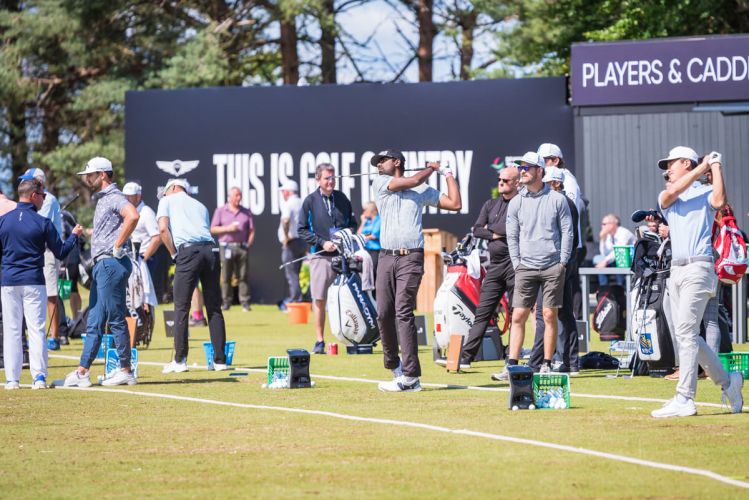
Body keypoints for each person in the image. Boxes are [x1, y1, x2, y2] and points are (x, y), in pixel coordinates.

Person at [651, 146, 743, 417]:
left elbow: (719, 201)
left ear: (685, 163)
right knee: (688, 334)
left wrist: (716, 167)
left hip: (699, 266)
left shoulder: (704, 192)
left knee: (687, 333)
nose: (667, 169)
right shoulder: (668, 195)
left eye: (671, 164)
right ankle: (728, 381)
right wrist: (703, 168)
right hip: (676, 269)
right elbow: (668, 196)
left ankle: (685, 398)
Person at [372, 149, 462, 392]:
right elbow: (412, 180)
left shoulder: (420, 191)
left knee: (403, 311)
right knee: (383, 313)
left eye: (383, 160)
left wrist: (448, 173)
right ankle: (395, 366)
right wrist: (432, 168)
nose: (379, 165)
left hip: (411, 257)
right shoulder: (380, 182)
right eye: (377, 162)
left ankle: (411, 377)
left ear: (397, 161)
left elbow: (455, 203)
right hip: (385, 257)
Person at [493, 152, 572, 381]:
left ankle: (546, 364)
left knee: (548, 315)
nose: (523, 171)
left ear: (540, 171)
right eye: (521, 167)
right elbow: (513, 235)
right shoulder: (517, 201)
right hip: (525, 267)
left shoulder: (557, 199)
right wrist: (517, 263)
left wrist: (563, 261)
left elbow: (567, 231)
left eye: (527, 167)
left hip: (552, 266)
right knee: (518, 315)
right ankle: (511, 366)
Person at [64, 157, 139, 387]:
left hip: (110, 264)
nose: (87, 179)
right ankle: (82, 372)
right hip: (104, 265)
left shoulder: (114, 197)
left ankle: (125, 369)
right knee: (95, 320)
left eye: (90, 174)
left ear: (103, 175)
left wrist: (117, 245)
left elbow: (133, 216)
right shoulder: (105, 199)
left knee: (115, 318)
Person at [1, 178, 81, 390]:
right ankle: (38, 378)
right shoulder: (42, 222)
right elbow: (61, 251)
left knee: (12, 330)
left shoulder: (3, 221)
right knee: (36, 329)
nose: (45, 199)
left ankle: (12, 380)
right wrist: (74, 236)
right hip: (33, 281)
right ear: (33, 195)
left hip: (8, 281)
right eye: (43, 195)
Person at [157, 178, 228, 373]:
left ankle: (179, 361)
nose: (164, 195)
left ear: (172, 188)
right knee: (214, 308)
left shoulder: (167, 200)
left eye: (165, 192)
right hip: (211, 251)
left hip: (188, 252)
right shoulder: (200, 205)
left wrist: (173, 255)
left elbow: (163, 229)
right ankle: (220, 361)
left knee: (181, 307)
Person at [460, 165, 520, 368]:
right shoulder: (490, 204)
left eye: (506, 180)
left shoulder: (521, 204)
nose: (501, 183)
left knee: (516, 313)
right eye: (499, 180)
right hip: (495, 266)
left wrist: (490, 229)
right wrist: (494, 233)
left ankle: (511, 358)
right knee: (482, 311)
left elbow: (512, 228)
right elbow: (476, 230)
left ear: (516, 183)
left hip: (515, 263)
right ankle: (466, 357)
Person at [298, 163, 357, 354]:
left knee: (348, 297)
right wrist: (322, 242)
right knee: (320, 299)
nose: (331, 181)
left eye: (333, 178)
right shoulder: (310, 201)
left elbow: (353, 224)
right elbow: (301, 230)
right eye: (327, 178)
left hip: (343, 256)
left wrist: (344, 237)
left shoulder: (342, 198)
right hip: (321, 257)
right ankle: (320, 340)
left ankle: (352, 338)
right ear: (318, 180)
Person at [528, 167, 580, 374]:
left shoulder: (561, 202)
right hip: (563, 263)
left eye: (547, 182)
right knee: (565, 312)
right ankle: (570, 362)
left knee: (543, 313)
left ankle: (537, 362)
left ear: (557, 183)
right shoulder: (563, 202)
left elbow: (563, 237)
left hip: (556, 264)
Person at [21, 168, 65, 350]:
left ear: (38, 182)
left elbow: (36, 223)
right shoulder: (34, 198)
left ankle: (54, 337)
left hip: (48, 251)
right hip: (36, 250)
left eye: (27, 180)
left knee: (51, 294)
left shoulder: (47, 199)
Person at [210, 186, 255, 312]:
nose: (239, 198)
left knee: (243, 275)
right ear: (229, 197)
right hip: (226, 247)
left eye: (240, 195)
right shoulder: (220, 211)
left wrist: (248, 244)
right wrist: (228, 229)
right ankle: (226, 302)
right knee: (226, 276)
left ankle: (245, 302)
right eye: (236, 195)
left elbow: (251, 230)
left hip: (242, 247)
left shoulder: (246, 212)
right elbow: (213, 229)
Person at [122, 182, 159, 309]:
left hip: (145, 260)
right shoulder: (127, 212)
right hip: (132, 260)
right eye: (125, 196)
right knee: (132, 298)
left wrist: (143, 258)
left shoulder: (146, 212)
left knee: (145, 299)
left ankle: (146, 326)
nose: (126, 199)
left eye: (130, 196)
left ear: (138, 196)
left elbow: (157, 237)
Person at [278, 180, 306, 308]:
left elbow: (285, 220)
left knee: (291, 273)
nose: (282, 194)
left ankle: (295, 300)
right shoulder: (302, 202)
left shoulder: (288, 203)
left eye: (283, 191)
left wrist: (286, 236)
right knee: (296, 272)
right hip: (302, 241)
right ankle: (297, 298)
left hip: (292, 242)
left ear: (288, 192)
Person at [593, 213, 635, 286]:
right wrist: (602, 239)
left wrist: (605, 261)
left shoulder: (623, 233)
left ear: (612, 224)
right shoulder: (609, 235)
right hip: (617, 260)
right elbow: (604, 254)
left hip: (629, 260)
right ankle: (604, 288)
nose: (602, 226)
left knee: (617, 260)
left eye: (604, 224)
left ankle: (621, 286)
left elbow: (620, 251)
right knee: (597, 259)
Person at [357, 201, 381, 273]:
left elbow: (374, 235)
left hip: (375, 251)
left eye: (365, 210)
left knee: (373, 271)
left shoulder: (378, 220)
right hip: (366, 250)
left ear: (371, 210)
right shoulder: (367, 221)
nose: (363, 212)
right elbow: (358, 234)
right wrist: (363, 223)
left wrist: (364, 235)